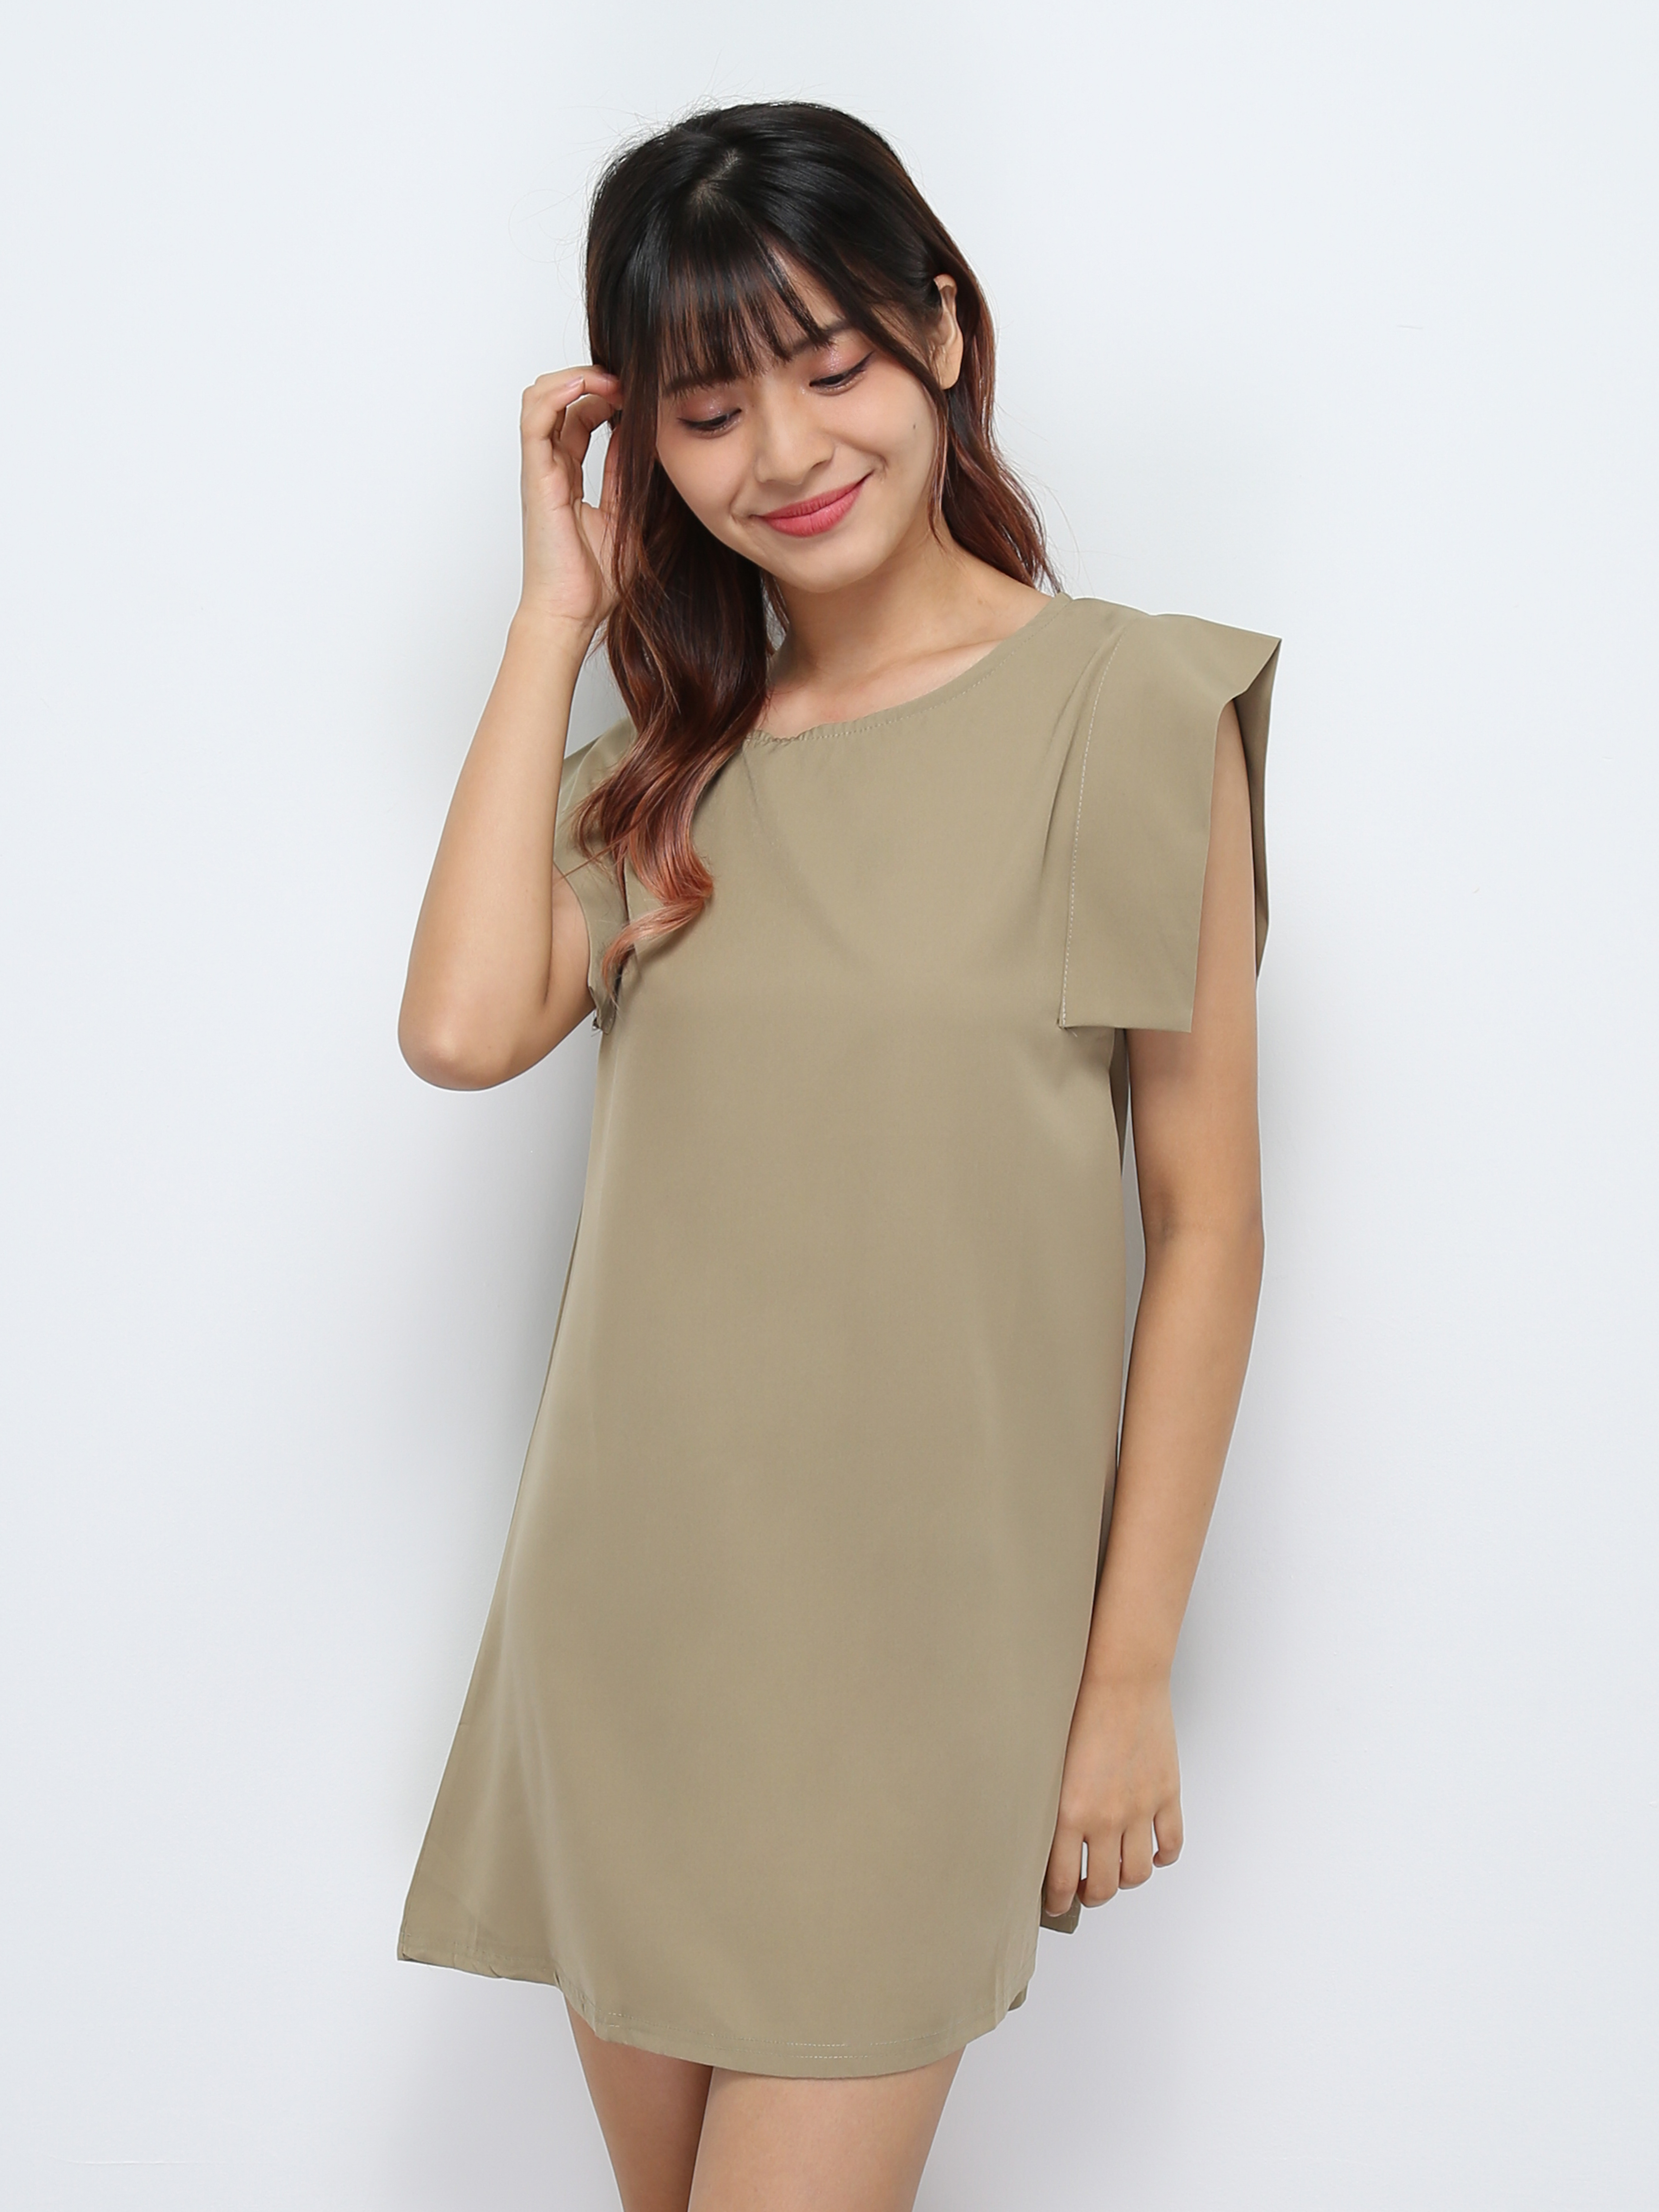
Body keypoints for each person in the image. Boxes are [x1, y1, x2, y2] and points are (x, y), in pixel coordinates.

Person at [395, 100, 1279, 2212]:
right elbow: (457, 1031)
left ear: (942, 333)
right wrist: (552, 618)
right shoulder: (660, 778)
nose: (782, 451)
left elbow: (1204, 1223)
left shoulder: (1128, 711)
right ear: (645, 451)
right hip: (633, 1628)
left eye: (831, 366)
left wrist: (1124, 1679)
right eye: (706, 412)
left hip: (925, 1661)